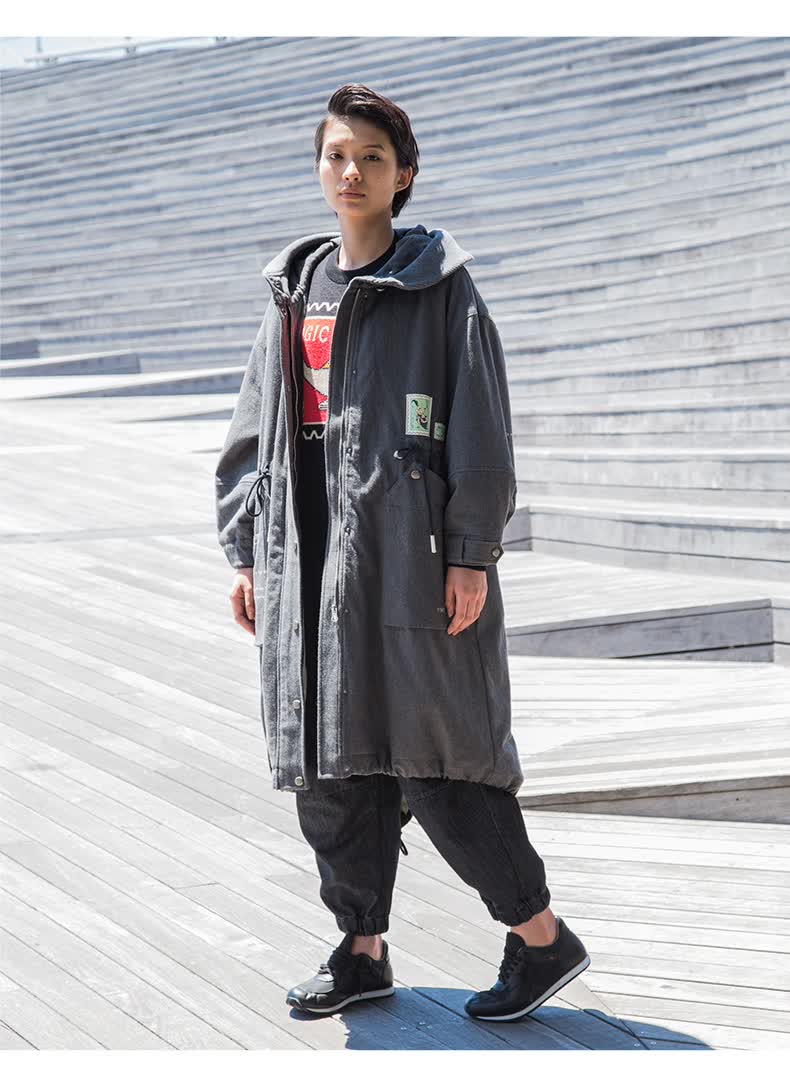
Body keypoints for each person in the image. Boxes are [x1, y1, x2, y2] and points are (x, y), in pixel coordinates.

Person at [215, 84, 589, 1021]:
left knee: (438, 754)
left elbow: (483, 430)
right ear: (320, 167)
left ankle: (541, 935)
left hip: (409, 557)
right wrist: (249, 551)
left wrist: (470, 552)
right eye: (337, 155)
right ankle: (362, 948)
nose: (351, 172)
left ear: (403, 175)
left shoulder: (441, 289)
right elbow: (253, 434)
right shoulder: (293, 290)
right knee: (330, 761)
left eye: (371, 158)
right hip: (308, 563)